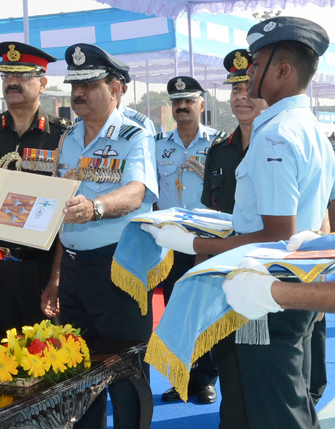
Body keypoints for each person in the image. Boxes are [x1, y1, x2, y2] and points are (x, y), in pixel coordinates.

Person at [143, 17, 335, 428]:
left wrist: (193, 245)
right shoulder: (309, 128)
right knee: (253, 407)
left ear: (283, 71)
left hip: (265, 290)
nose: (249, 69)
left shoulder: (276, 134)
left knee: (276, 412)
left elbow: (275, 235)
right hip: (286, 286)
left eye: (258, 60)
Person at [40, 43, 157, 429]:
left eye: (89, 83)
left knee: (126, 376)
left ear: (116, 88)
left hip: (117, 269)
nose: (78, 93)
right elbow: (61, 213)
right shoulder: (69, 138)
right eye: (74, 83)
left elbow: (137, 191)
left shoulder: (133, 134)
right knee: (80, 377)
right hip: (74, 274)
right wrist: (56, 276)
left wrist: (96, 207)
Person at [0, 41, 70, 339]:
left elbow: (68, 215)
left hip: (42, 270)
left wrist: (57, 278)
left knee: (46, 363)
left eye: (22, 75)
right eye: (6, 76)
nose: (12, 82)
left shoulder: (64, 135)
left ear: (43, 83)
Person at [199, 49, 267, 428]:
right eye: (234, 89)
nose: (240, 97)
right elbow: (208, 214)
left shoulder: (277, 145)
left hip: (267, 276)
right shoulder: (219, 153)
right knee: (230, 367)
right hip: (225, 275)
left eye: (247, 88)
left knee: (266, 373)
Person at [154, 75, 226, 404]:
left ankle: (206, 378)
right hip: (171, 243)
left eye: (188, 101)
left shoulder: (218, 144)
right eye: (176, 102)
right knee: (175, 311)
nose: (181, 106)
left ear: (202, 105)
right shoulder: (158, 144)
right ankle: (181, 378)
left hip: (208, 244)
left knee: (205, 311)